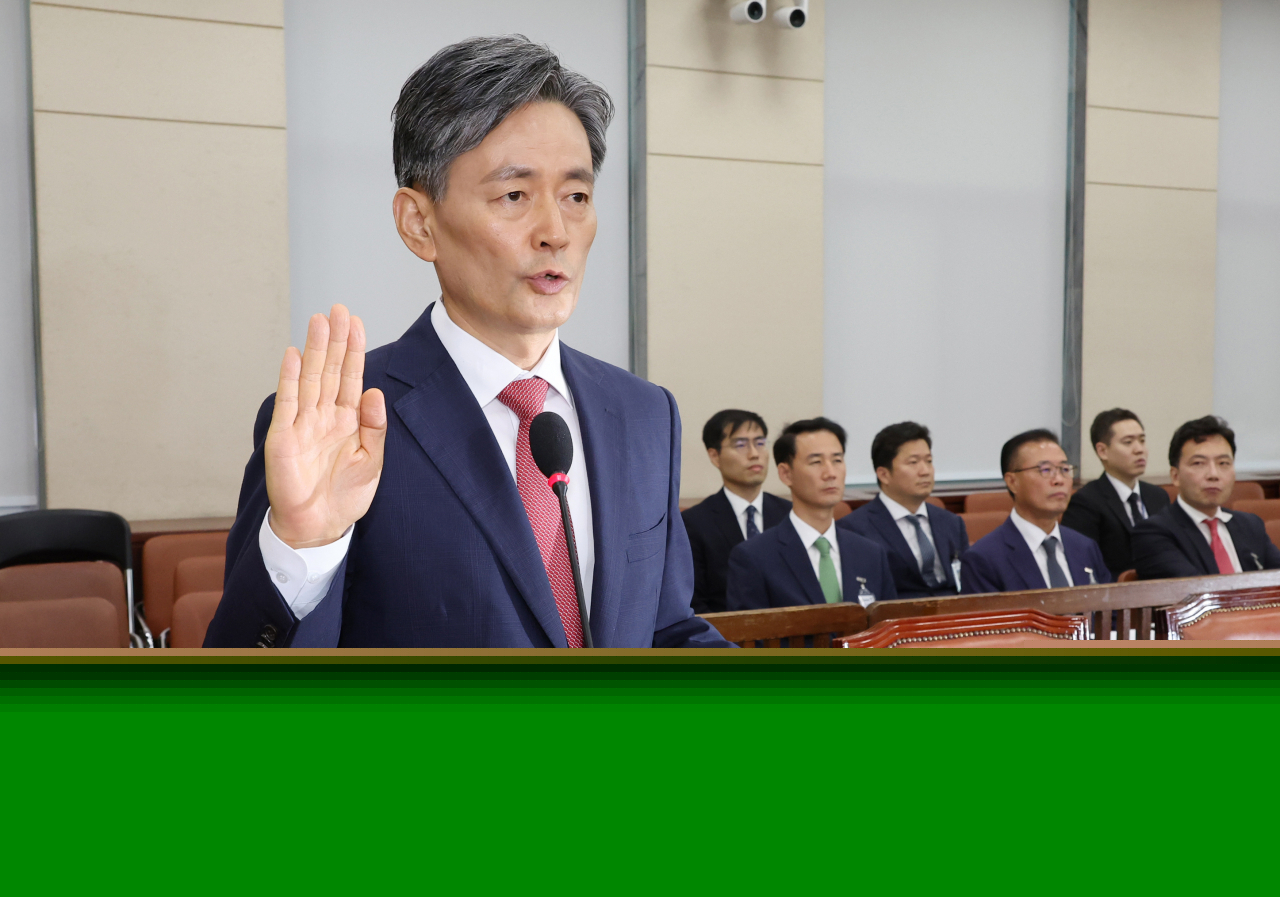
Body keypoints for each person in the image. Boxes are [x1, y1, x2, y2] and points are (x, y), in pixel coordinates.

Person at [204, 37, 729, 648]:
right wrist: (304, 545)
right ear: (419, 224)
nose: (555, 232)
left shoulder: (643, 412)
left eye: (577, 196)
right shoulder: (348, 426)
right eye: (514, 195)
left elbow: (666, 628)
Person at [726, 418, 895, 610]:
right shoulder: (754, 557)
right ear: (786, 474)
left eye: (837, 460)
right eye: (816, 462)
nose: (830, 473)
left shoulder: (870, 553)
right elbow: (751, 636)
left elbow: (888, 628)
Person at [961, 429, 1110, 593]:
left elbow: (1111, 613)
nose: (1059, 480)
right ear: (1012, 482)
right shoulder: (984, 559)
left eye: (1064, 469)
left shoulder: (1085, 546)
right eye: (1045, 470)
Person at [1132, 416, 1280, 579]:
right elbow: (1195, 592)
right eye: (1199, 463)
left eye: (1223, 463)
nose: (1213, 474)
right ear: (1175, 476)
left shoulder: (1250, 526)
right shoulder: (1153, 534)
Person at [839, 421, 969, 598]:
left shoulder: (951, 522)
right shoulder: (854, 529)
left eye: (929, 461)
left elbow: (967, 583)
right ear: (884, 474)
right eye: (913, 462)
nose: (925, 471)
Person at [682, 410, 791, 614]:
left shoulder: (790, 514)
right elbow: (694, 603)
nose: (754, 454)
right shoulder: (694, 524)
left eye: (760, 443)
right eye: (741, 445)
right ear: (715, 456)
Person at [1061, 408, 1171, 578]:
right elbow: (1083, 568)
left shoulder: (1158, 496)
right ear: (1102, 451)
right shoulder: (1085, 502)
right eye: (1128, 442)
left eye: (1142, 441)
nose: (1139, 449)